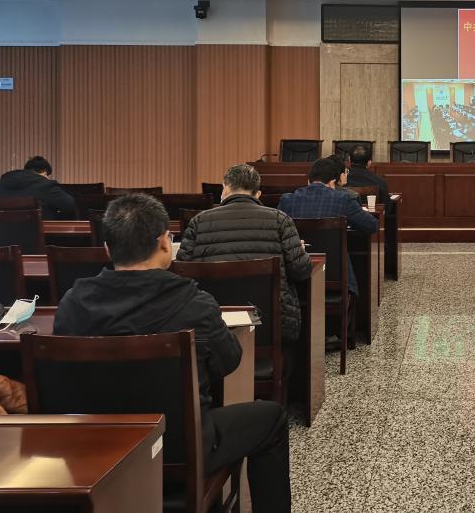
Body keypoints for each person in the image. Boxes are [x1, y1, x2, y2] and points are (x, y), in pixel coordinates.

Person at [54, 194, 291, 512]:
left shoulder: (71, 304)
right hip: (179, 449)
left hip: (93, 451)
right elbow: (228, 362)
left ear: (108, 248)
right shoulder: (194, 303)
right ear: (165, 243)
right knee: (271, 418)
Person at [176, 163, 312, 345]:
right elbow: (300, 271)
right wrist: (300, 252)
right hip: (272, 321)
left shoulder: (198, 222)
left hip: (213, 321)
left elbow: (182, 274)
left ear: (225, 188)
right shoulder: (280, 220)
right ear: (258, 194)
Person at [278, 156, 378, 297]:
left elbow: (278, 233)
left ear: (309, 181)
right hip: (335, 274)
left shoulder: (287, 200)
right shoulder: (344, 199)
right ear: (332, 182)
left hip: (296, 274)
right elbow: (372, 226)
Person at [0, 156, 76, 219]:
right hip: (35, 237)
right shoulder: (45, 185)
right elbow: (71, 205)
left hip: (0, 237)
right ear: (45, 173)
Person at [345, 144, 390, 209]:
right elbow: (386, 208)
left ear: (349, 160)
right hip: (371, 215)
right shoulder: (380, 182)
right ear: (369, 163)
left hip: (344, 215)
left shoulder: (339, 180)